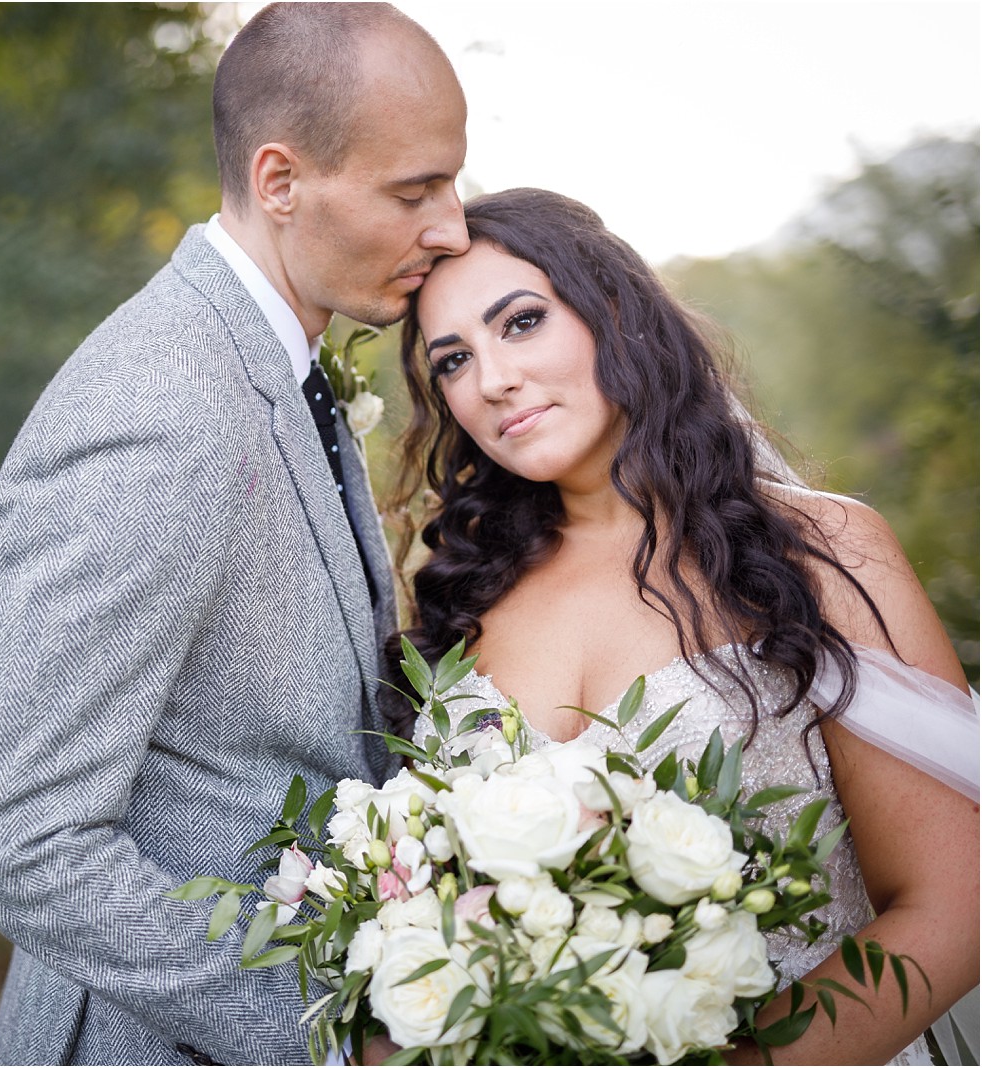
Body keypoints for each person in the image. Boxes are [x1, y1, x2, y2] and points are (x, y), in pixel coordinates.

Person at [0, 5, 469, 1064]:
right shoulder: (158, 405)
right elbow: (17, 838)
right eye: (414, 191)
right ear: (279, 182)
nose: (453, 227)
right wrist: (333, 1034)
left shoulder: (269, 364)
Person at [385, 186, 979, 1065]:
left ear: (615, 310)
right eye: (452, 361)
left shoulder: (819, 549)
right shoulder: (464, 604)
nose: (492, 381)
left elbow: (955, 901)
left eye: (520, 323)